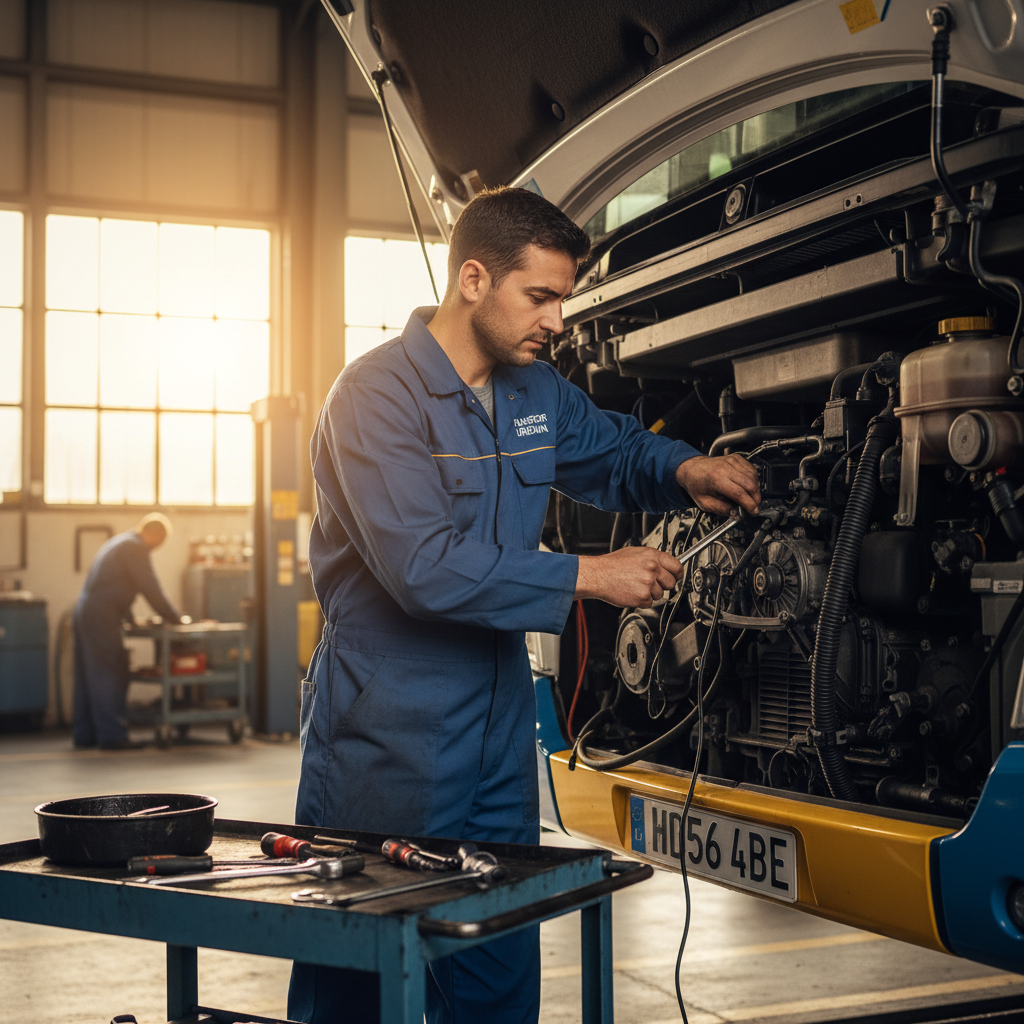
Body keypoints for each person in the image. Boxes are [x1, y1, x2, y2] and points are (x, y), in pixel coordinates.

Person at [290, 186, 761, 1024]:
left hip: (500, 727)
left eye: (562, 300)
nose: (556, 321)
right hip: (387, 730)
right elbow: (423, 568)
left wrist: (687, 469)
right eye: (539, 297)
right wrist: (590, 574)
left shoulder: (532, 391)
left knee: (497, 957)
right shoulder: (374, 398)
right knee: (364, 970)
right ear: (474, 279)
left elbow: (611, 447)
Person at [72, 513, 183, 750]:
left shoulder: (119, 543)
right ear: (154, 534)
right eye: (160, 542)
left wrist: (130, 618)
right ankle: (112, 735)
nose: (157, 548)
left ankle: (85, 735)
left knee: (87, 676)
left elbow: (117, 585)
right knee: (108, 672)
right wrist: (175, 618)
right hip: (101, 616)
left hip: (87, 612)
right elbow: (149, 586)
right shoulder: (135, 547)